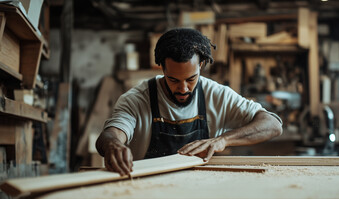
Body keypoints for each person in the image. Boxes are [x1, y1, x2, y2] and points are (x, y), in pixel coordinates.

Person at [96, 28, 283, 176]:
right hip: (147, 191)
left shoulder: (218, 95)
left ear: (201, 65)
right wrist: (113, 144)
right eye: (174, 80)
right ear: (162, 68)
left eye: (191, 79)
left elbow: (273, 125)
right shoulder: (136, 99)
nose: (183, 88)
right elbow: (111, 134)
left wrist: (223, 140)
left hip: (200, 189)